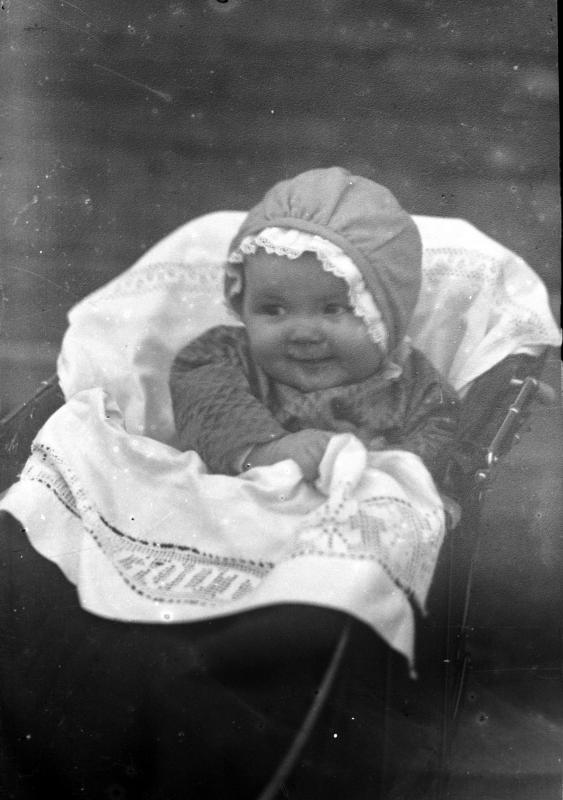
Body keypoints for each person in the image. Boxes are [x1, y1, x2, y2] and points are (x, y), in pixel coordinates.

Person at [169, 167, 459, 486]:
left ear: (385, 317)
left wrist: (383, 467)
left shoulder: (413, 385)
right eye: (273, 310)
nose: (303, 334)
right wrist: (266, 450)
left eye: (333, 309)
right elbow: (202, 399)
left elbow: (443, 436)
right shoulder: (228, 356)